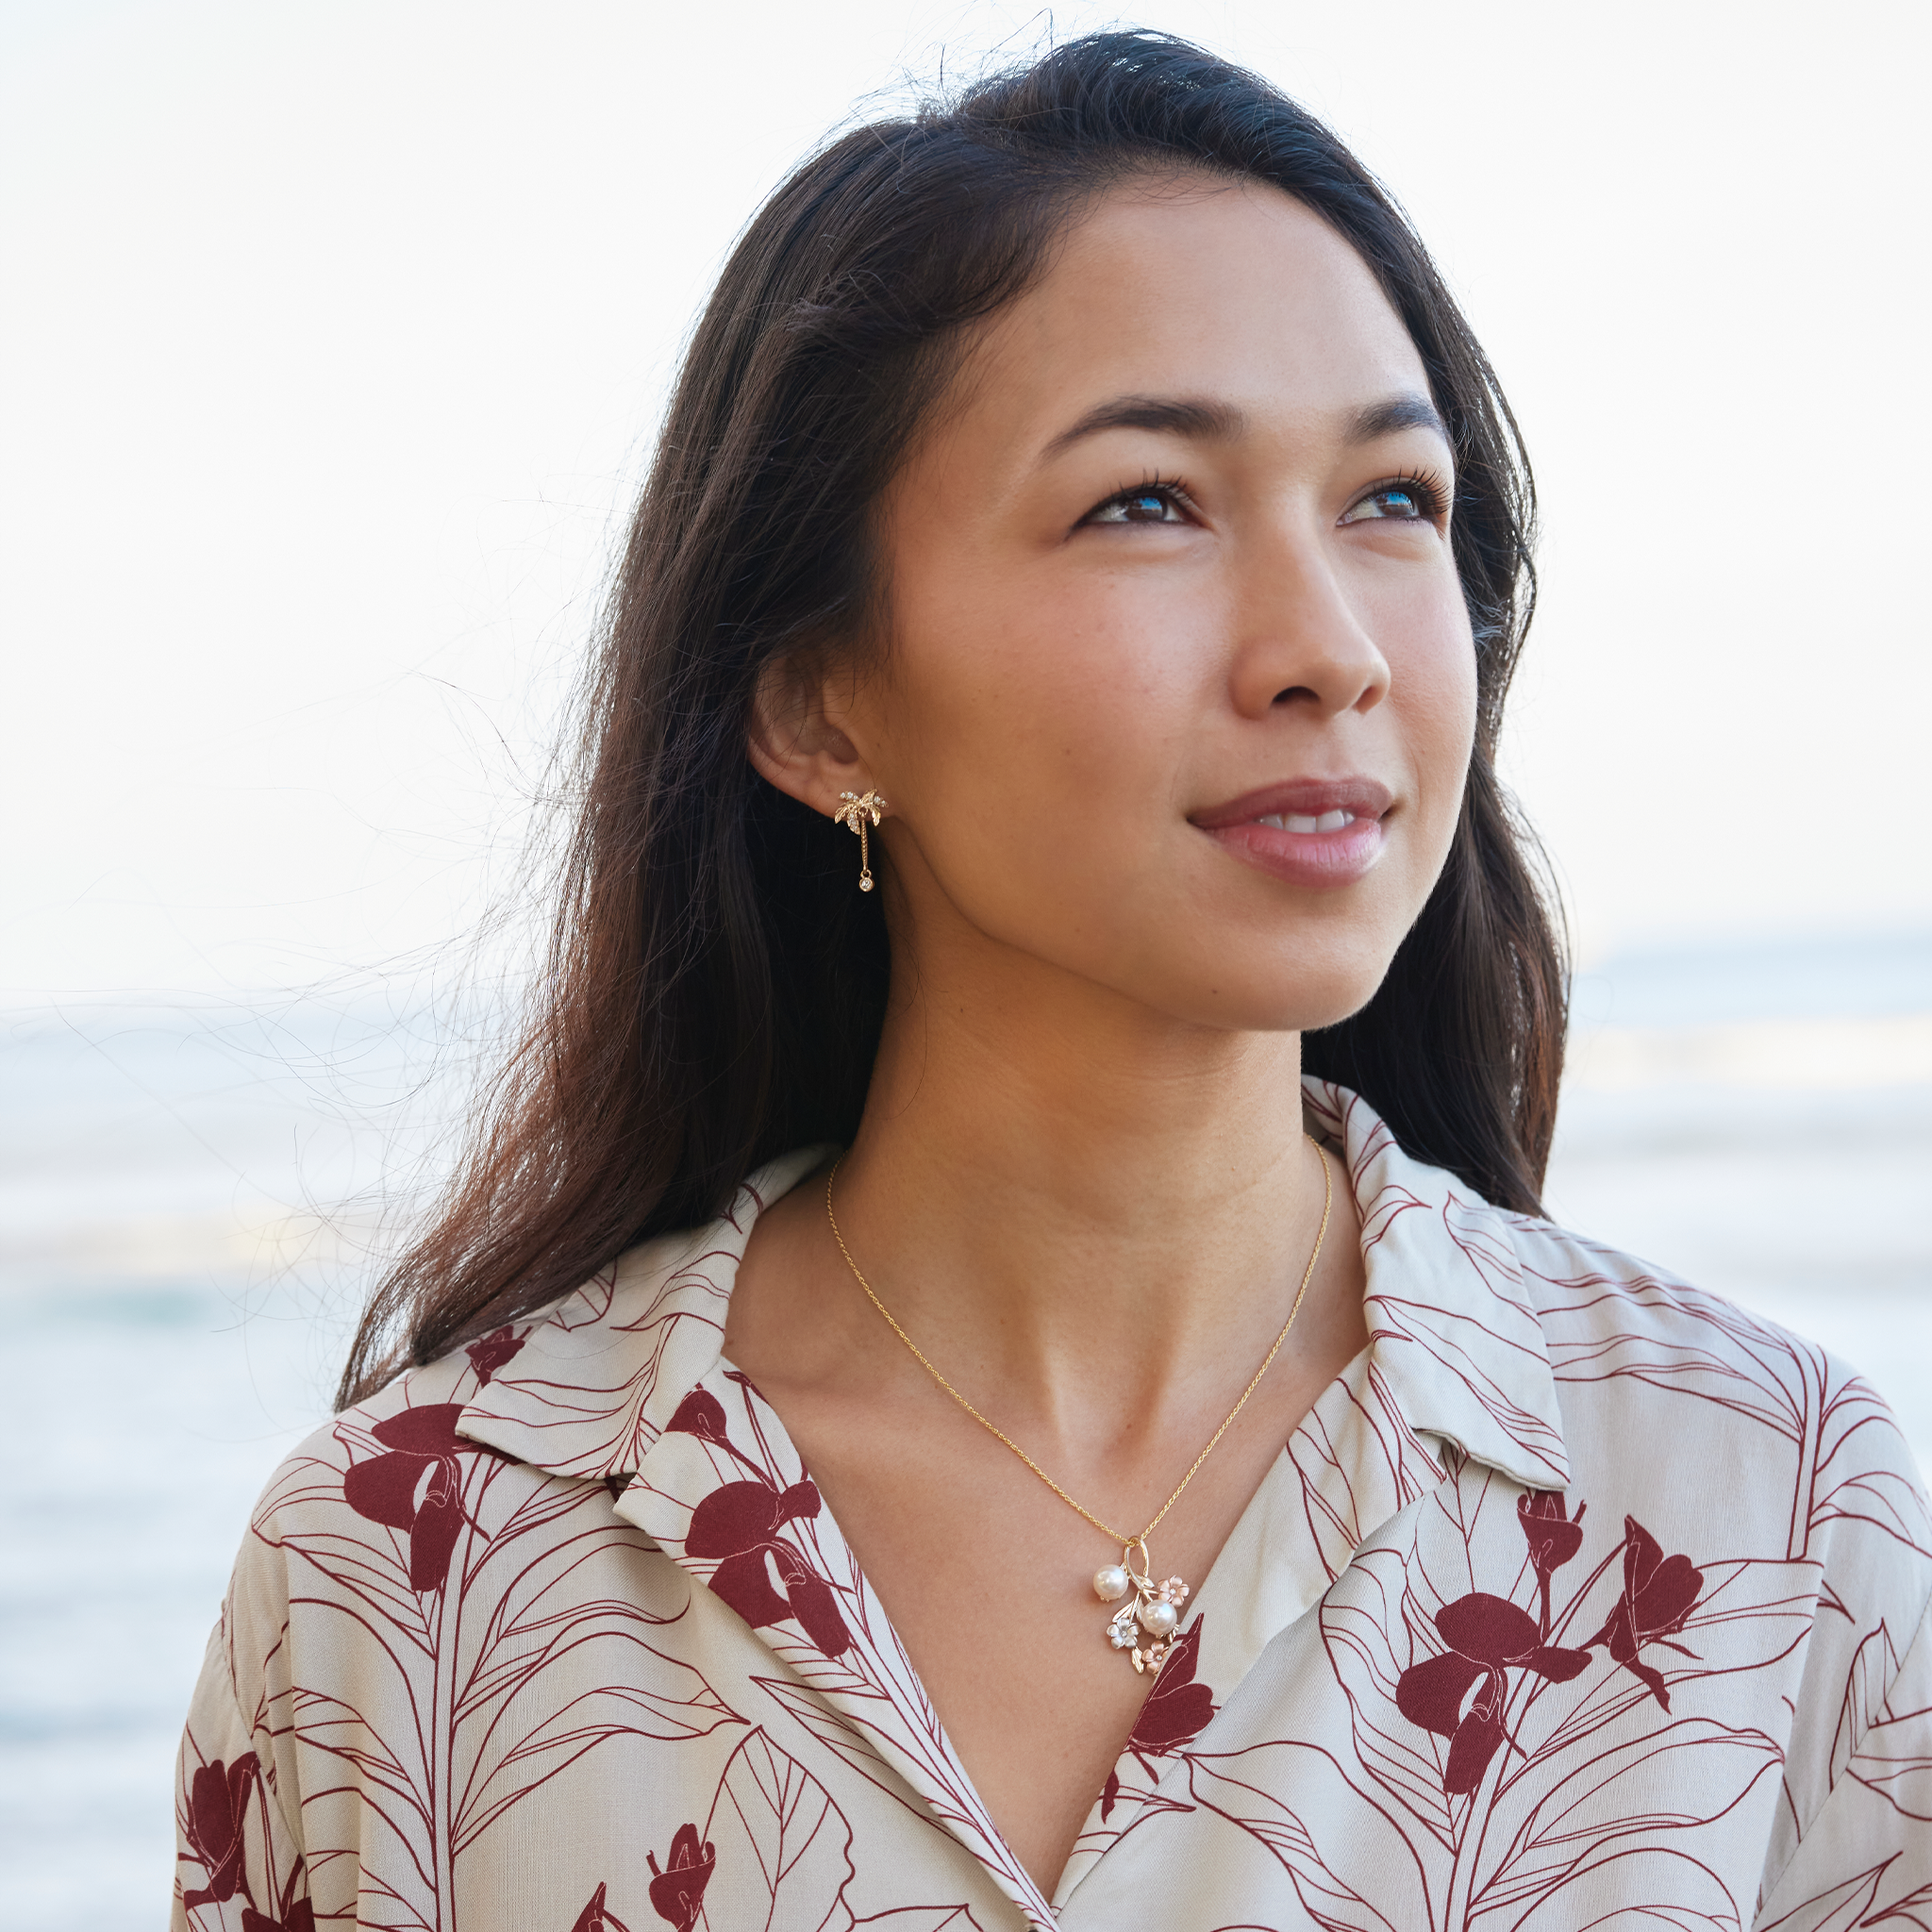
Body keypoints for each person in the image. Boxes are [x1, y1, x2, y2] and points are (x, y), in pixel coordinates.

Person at [173, 32, 1931, 1930]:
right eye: (1147, 503)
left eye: (1393, 501)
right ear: (814, 698)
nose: (1329, 648)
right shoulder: (410, 1566)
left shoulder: (1763, 1512)